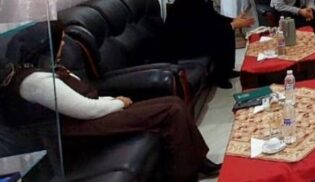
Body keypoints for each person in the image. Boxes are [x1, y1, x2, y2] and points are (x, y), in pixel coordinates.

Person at [0, 22, 220, 182]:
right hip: (78, 129)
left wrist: (112, 100)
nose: (64, 46)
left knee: (173, 102)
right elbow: (85, 109)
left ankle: (198, 161)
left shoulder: (46, 70)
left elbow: (84, 99)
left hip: (89, 117)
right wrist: (119, 103)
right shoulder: (35, 81)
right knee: (170, 110)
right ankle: (185, 174)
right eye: (61, 41)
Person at [165, 0, 255, 89]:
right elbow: (205, 29)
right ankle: (219, 77)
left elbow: (213, 17)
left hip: (196, 34)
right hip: (184, 44)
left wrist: (233, 20)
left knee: (227, 30)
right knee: (221, 34)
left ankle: (226, 70)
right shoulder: (190, 1)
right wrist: (233, 25)